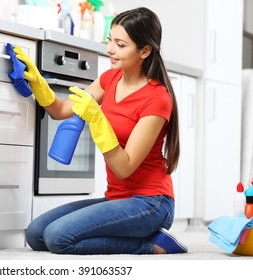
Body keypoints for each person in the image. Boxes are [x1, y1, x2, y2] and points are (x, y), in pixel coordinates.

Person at [13, 7, 188, 255]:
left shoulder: (157, 98)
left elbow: (124, 167)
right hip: (117, 198)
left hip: (151, 203)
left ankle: (153, 244)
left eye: (120, 44)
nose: (110, 49)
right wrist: (38, 83)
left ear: (145, 51)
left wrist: (97, 120)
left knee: (57, 238)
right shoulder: (110, 79)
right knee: (36, 234)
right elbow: (61, 110)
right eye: (110, 40)